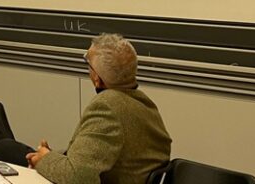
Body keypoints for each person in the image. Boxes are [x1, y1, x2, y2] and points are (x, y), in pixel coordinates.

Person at [25, 34, 171, 184]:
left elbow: (78, 178)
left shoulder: (107, 107)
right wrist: (49, 157)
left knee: (13, 151)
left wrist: (44, 159)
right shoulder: (144, 104)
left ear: (97, 78)